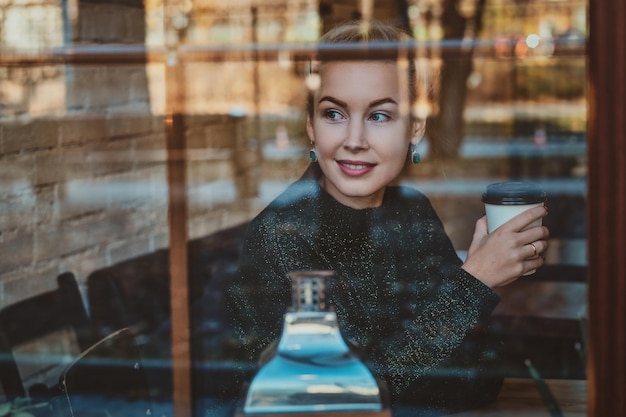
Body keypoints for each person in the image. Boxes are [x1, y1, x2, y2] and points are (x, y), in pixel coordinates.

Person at [226, 20, 549, 415]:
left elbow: (480, 374)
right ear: (311, 126)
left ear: (415, 127)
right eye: (334, 114)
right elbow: (344, 396)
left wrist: (468, 295)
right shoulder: (283, 234)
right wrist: (475, 283)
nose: (355, 140)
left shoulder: (411, 212)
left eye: (379, 116)